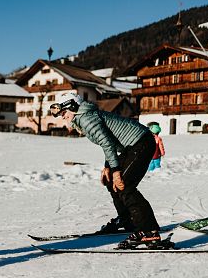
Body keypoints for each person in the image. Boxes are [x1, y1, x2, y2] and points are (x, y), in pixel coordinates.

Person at [50, 93, 161, 249]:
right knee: (111, 181)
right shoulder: (85, 117)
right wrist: (108, 167)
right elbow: (110, 143)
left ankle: (149, 232)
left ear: (72, 107)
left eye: (63, 112)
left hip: (141, 142)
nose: (62, 117)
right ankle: (126, 220)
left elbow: (107, 144)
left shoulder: (86, 119)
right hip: (132, 146)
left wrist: (115, 170)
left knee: (125, 185)